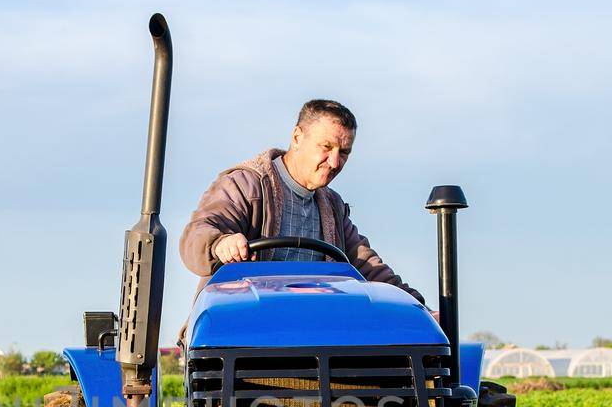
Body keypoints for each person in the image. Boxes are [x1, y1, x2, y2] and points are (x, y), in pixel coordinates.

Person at [178, 99, 427, 307]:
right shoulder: (246, 185)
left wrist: (417, 306)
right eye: (326, 147)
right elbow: (196, 235)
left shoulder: (332, 206)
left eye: (344, 152)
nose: (335, 162)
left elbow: (367, 265)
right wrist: (220, 242)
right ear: (297, 137)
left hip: (311, 330)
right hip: (245, 325)